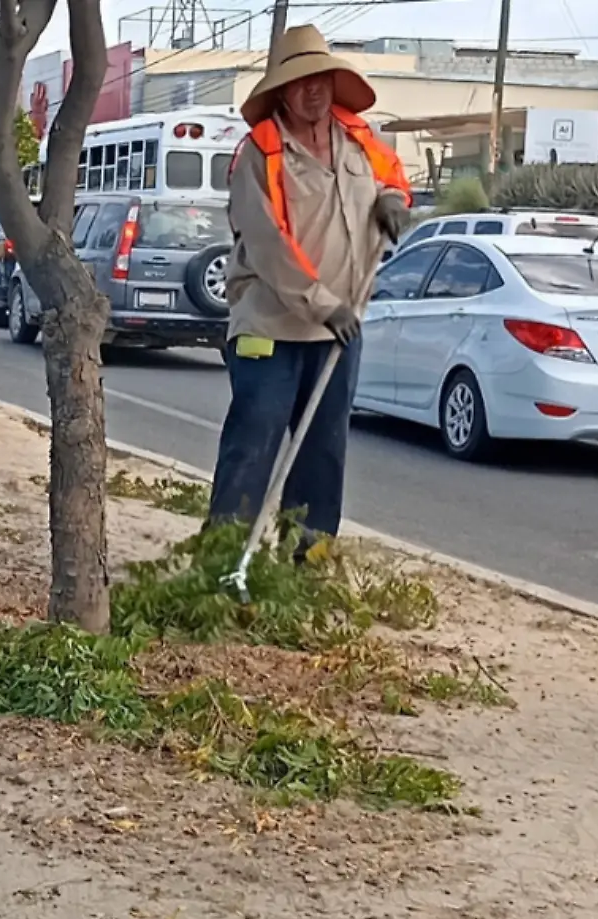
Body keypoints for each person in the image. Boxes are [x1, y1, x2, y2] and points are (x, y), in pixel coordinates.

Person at [207, 24, 411, 547]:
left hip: (339, 328)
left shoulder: (361, 141)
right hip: (269, 326)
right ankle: (225, 562)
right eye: (300, 82)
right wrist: (322, 304)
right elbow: (268, 244)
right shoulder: (260, 153)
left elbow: (392, 178)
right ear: (282, 92)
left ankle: (309, 559)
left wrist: (393, 200)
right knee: (255, 442)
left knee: (323, 451)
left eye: (320, 78)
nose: (313, 90)